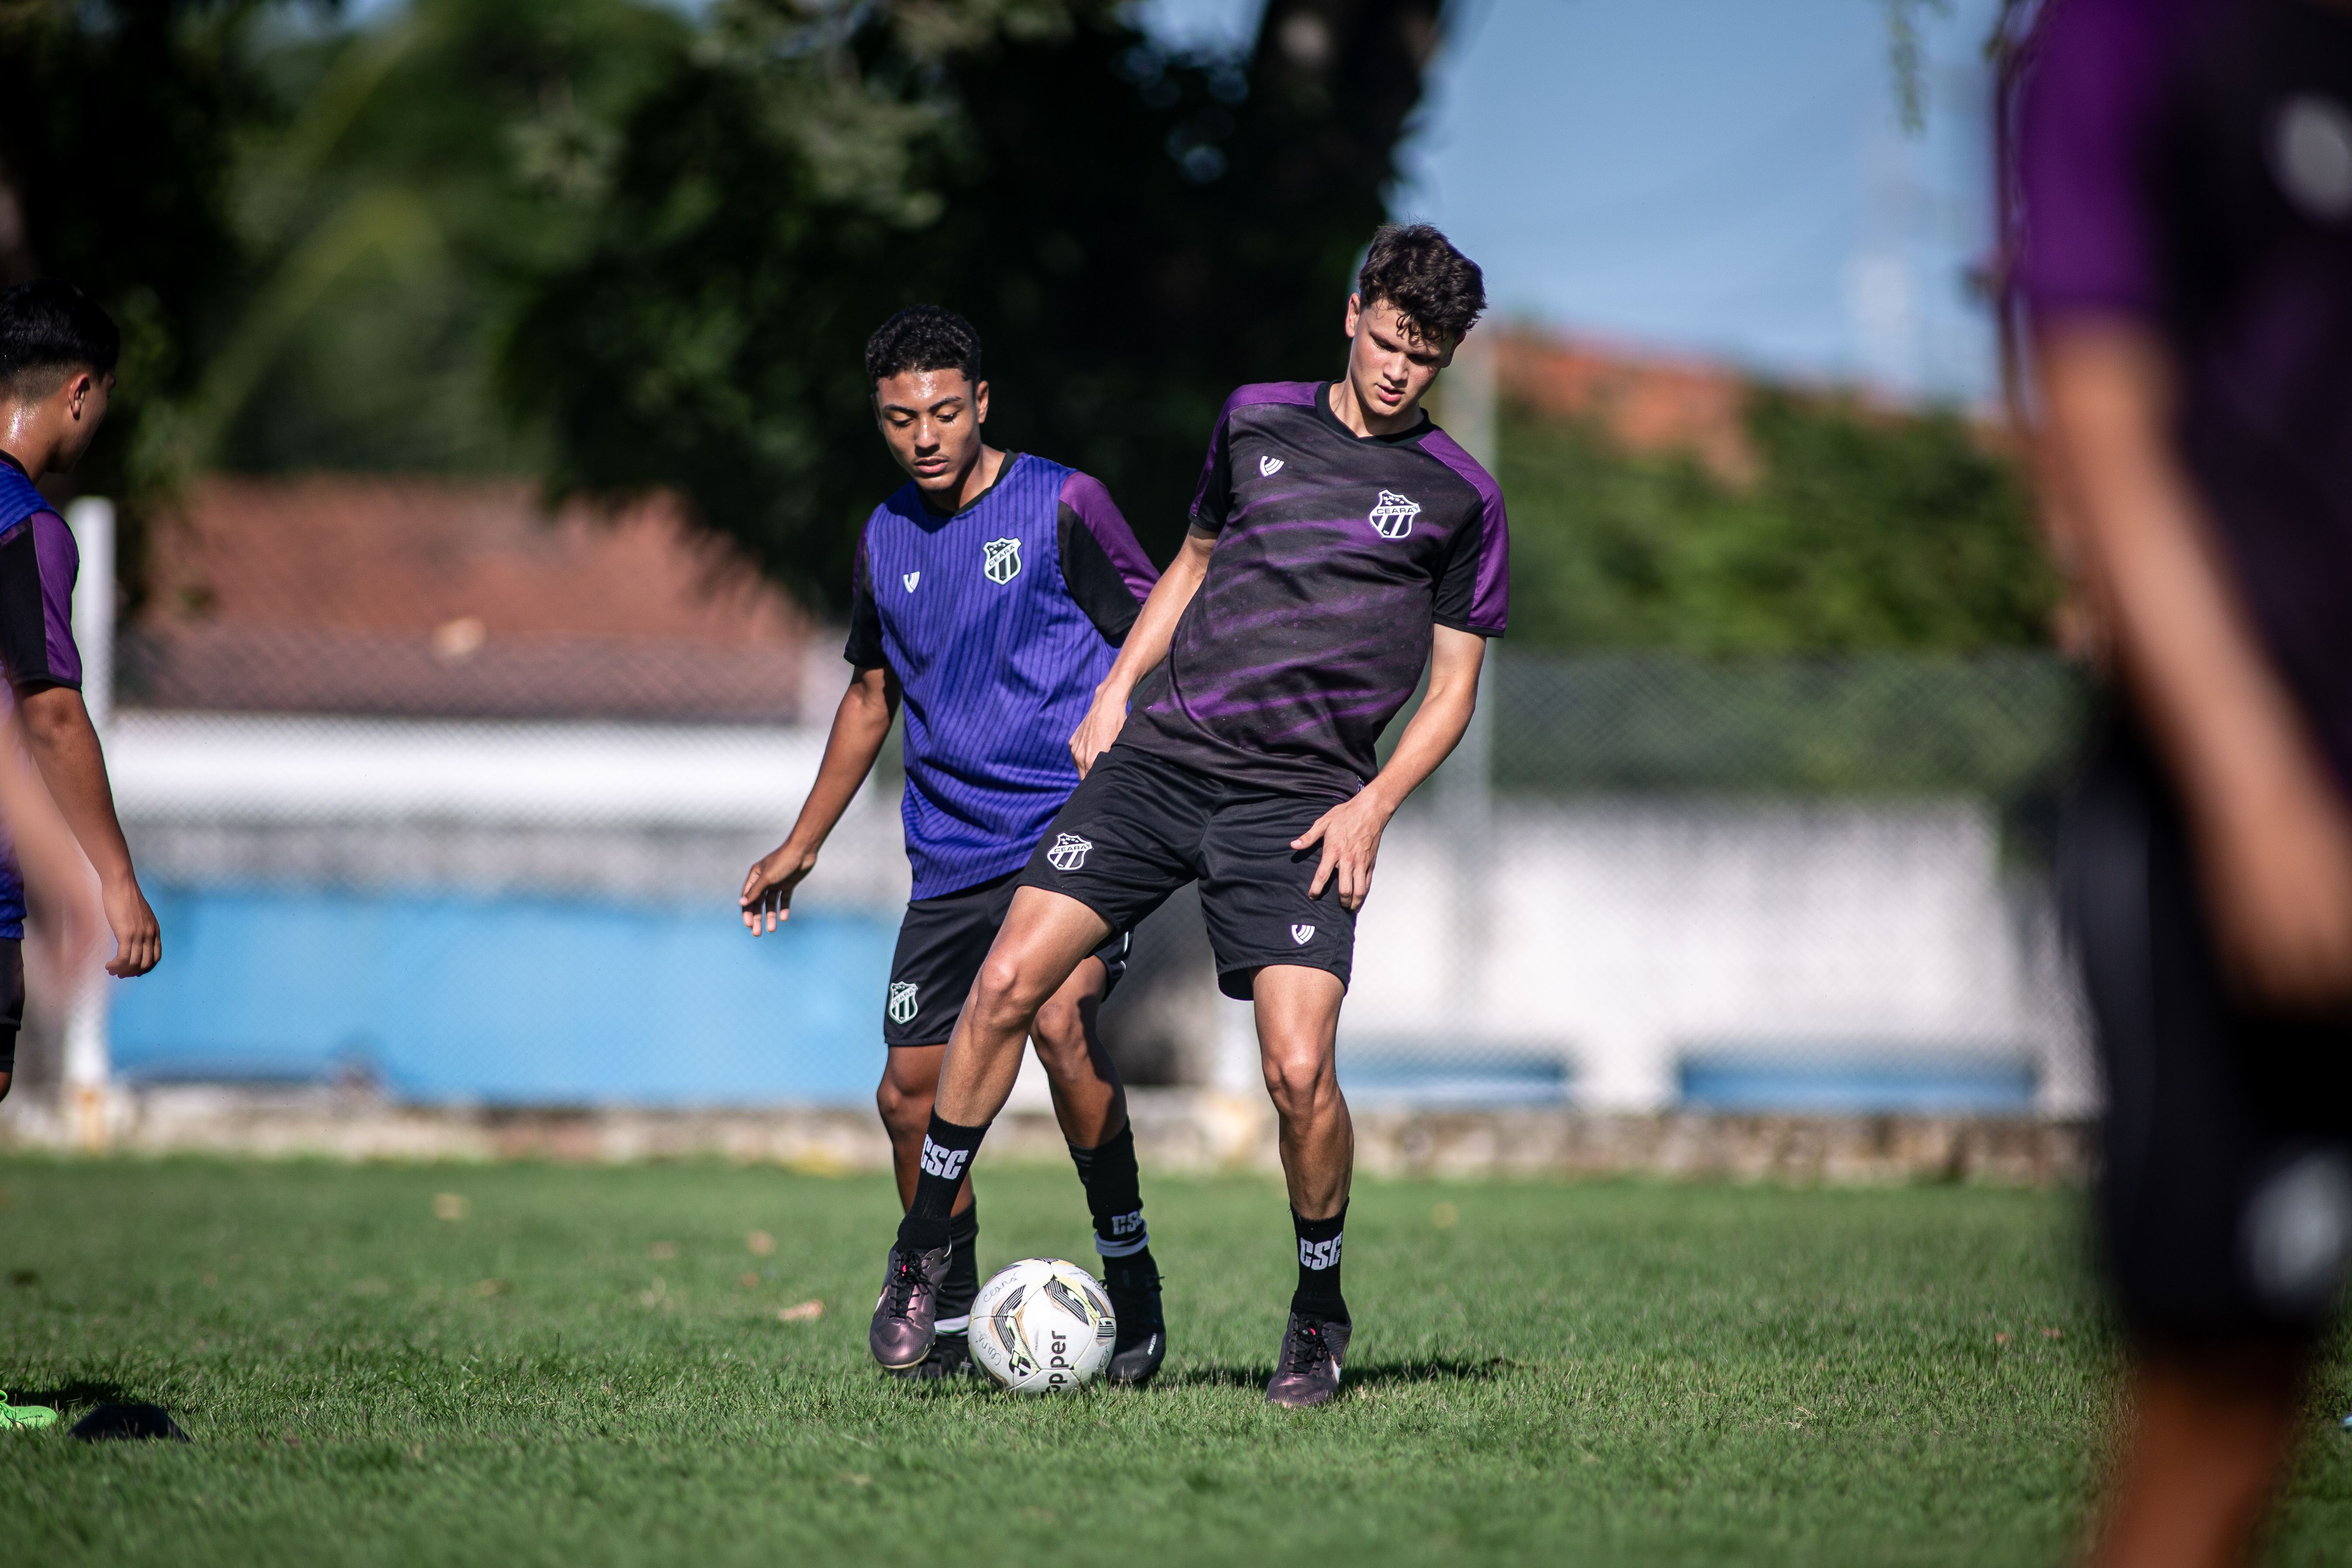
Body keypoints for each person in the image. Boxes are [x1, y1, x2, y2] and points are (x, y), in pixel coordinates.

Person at [865, 224, 1507, 1408]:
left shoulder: (1459, 496)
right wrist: (1114, 692)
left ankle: (1317, 1310)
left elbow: (1454, 686)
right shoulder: (1255, 418)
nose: (1397, 368)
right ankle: (922, 1250)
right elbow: (1192, 562)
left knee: (1299, 1069)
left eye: (1425, 354)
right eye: (1386, 339)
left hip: (1304, 804)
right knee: (1011, 983)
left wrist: (1373, 803)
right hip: (1163, 761)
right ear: (1352, 310)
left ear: (1447, 356)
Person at [2009, 0, 2352, 1561]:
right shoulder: (2131, 30)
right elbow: (2094, 409)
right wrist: (2258, 794)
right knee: (2220, 1413)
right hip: (2248, 806)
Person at [739, 306, 1167, 1383]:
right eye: (898, 419)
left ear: (982, 402)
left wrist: (1136, 747)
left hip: (1072, 836)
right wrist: (802, 842)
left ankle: (1131, 1282)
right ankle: (946, 1320)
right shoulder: (885, 537)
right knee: (906, 1094)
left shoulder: (1066, 503)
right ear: (878, 423)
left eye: (942, 411)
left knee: (1061, 1019)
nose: (923, 436)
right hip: (950, 854)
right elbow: (871, 693)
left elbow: (1157, 637)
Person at [0, 279, 162, 1003]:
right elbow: (51, 715)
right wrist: (115, 877)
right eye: (106, 396)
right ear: (79, 391)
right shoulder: (27, 527)